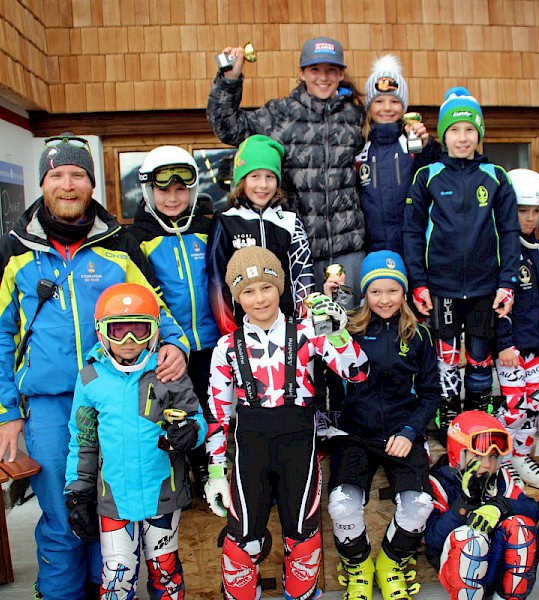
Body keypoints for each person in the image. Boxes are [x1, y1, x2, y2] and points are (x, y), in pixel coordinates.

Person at [0, 134, 188, 600]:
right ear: (43, 184)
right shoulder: (17, 253)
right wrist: (7, 411)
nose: (68, 184)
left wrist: (176, 345)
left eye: (78, 175)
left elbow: (156, 309)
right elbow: (0, 336)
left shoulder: (117, 247)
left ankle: (102, 587)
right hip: (50, 405)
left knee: (109, 509)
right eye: (57, 175)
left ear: (91, 185)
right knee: (65, 513)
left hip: (118, 394)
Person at [202, 246, 369, 600]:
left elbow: (357, 373)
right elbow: (218, 416)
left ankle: (302, 593)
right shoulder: (225, 347)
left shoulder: (309, 330)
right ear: (236, 297)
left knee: (302, 534)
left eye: (266, 287)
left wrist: (338, 331)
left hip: (298, 443)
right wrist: (216, 471)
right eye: (247, 291)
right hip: (251, 447)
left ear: (280, 287)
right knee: (242, 540)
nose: (259, 299)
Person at [65, 283, 206, 599]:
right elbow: (83, 440)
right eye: (118, 332)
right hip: (114, 499)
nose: (129, 342)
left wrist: (190, 433)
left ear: (154, 332)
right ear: (102, 333)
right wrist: (77, 493)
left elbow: (197, 421)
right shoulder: (91, 378)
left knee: (165, 570)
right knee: (117, 574)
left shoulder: (167, 371)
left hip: (163, 495)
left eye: (139, 331)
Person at [207, 36, 366, 302]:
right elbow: (228, 127)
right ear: (302, 73)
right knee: (305, 329)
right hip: (297, 251)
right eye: (315, 70)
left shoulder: (357, 117)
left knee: (346, 328)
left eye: (331, 70)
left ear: (341, 74)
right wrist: (229, 79)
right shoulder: (280, 114)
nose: (323, 77)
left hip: (347, 250)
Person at [403, 87, 520, 442]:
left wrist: (508, 282)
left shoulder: (497, 177)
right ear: (443, 134)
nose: (463, 137)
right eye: (454, 130)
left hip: (487, 287)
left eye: (470, 129)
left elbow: (510, 231)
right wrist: (419, 283)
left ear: (480, 134)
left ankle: (479, 412)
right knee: (448, 358)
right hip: (442, 287)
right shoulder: (427, 176)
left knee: (481, 356)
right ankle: (450, 413)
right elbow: (412, 232)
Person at [325, 251, 440, 600]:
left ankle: (392, 561)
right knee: (342, 504)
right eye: (376, 292)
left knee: (420, 504)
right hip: (355, 434)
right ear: (364, 293)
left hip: (401, 433)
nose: (384, 299)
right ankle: (358, 564)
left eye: (393, 291)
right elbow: (318, 354)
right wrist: (326, 307)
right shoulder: (347, 329)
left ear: (403, 292)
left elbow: (431, 394)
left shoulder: (419, 335)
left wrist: (409, 432)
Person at [129, 145, 221, 495]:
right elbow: (148, 295)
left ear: (193, 190)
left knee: (214, 409)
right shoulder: (138, 237)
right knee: (180, 411)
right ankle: (186, 475)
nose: (172, 197)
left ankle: (214, 469)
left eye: (181, 189)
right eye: (163, 190)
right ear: (149, 191)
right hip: (170, 347)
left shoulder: (207, 228)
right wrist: (170, 340)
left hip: (213, 342)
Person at [424, 411, 539, 600]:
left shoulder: (499, 477)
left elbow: (533, 510)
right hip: (456, 566)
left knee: (521, 527)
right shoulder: (439, 480)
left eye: (494, 457)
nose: (487, 464)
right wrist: (464, 505)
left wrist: (499, 506)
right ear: (458, 453)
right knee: (471, 537)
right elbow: (432, 539)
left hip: (495, 561)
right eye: (478, 456)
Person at [206, 134, 314, 332]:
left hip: (287, 326)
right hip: (243, 328)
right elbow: (216, 280)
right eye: (255, 176)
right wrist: (230, 332)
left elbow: (303, 273)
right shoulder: (225, 220)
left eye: (270, 176)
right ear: (241, 180)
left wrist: (303, 325)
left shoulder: (289, 220)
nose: (263, 185)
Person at [494, 169, 539, 490]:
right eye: (522, 210)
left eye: (535, 211)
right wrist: (504, 343)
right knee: (514, 407)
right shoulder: (502, 250)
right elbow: (499, 302)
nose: (529, 218)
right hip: (512, 349)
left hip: (538, 346)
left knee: (535, 404)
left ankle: (521, 453)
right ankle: (500, 458)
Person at [357, 55, 438, 255]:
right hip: (372, 250)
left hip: (413, 246)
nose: (387, 108)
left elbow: (433, 183)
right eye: (379, 101)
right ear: (369, 106)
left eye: (394, 101)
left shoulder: (412, 142)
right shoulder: (360, 148)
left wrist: (428, 149)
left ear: (404, 106)